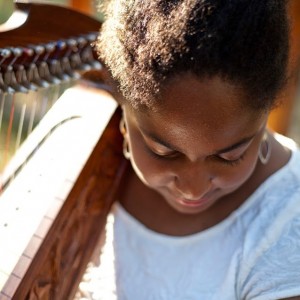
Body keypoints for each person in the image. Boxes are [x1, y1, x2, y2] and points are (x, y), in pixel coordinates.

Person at [80, 1, 300, 299]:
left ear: (264, 116)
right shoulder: (84, 152)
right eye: (162, 151)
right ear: (122, 102)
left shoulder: (288, 232)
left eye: (229, 156)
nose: (193, 189)